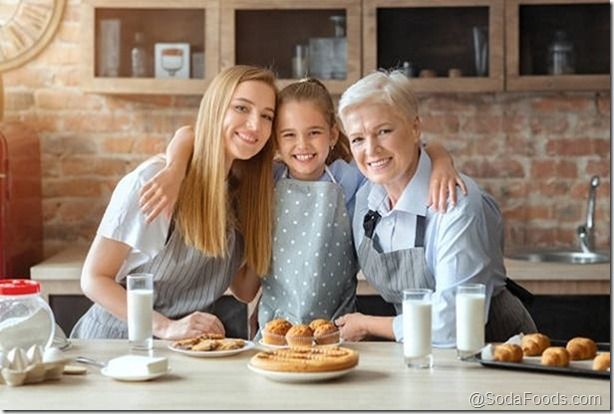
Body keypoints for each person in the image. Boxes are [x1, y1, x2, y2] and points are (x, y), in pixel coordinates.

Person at [138, 78, 465, 333]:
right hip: (274, 333)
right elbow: (192, 134)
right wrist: (174, 168)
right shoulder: (264, 180)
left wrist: (440, 158)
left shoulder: (352, 181)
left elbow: (407, 152)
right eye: (289, 135)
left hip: (338, 331)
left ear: (333, 133)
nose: (303, 145)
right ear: (275, 140)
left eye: (314, 133)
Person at [70, 65, 277, 340]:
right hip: (116, 346)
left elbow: (244, 289)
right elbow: (94, 279)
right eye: (241, 108)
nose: (255, 125)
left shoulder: (241, 195)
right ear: (215, 109)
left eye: (267, 116)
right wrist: (165, 326)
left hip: (181, 351)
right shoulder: (155, 181)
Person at [334, 70, 537, 346]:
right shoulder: (366, 197)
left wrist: (368, 325)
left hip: (494, 354)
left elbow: (454, 323)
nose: (371, 150)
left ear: (415, 128)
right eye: (357, 138)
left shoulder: (455, 205)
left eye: (384, 131)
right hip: (420, 354)